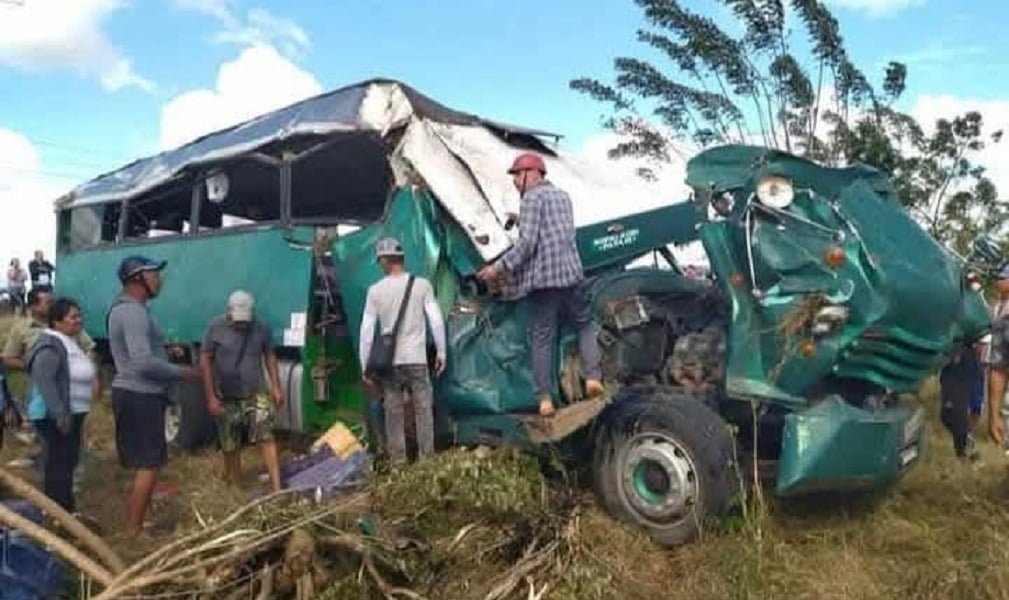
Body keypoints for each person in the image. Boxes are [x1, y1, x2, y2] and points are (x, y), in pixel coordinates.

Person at [476, 152, 604, 417]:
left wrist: (496, 269)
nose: (514, 181)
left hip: (544, 281)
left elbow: (527, 245)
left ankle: (544, 399)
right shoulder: (563, 196)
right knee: (584, 324)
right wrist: (520, 218)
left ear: (531, 173)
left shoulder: (531, 198)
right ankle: (593, 378)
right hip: (571, 275)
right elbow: (555, 229)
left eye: (516, 175)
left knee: (542, 337)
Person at [107, 255, 201, 538]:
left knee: (146, 462)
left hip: (138, 394)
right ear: (137, 279)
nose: (159, 279)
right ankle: (134, 531)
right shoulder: (133, 312)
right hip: (140, 394)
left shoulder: (132, 309)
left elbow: (143, 352)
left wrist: (164, 351)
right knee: (148, 463)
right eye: (154, 274)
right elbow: (142, 363)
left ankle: (141, 521)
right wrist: (184, 372)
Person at [359, 238, 446, 464]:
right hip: (417, 359)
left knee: (393, 413)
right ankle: (426, 461)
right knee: (424, 410)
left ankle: (399, 464)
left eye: (380, 261)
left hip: (391, 364)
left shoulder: (375, 291)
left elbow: (367, 331)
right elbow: (436, 321)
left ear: (386, 260)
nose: (380, 264)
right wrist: (441, 352)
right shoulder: (422, 285)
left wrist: (364, 366)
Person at [200, 290, 285, 492]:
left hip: (257, 393)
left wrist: (276, 386)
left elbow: (270, 355)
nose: (241, 325)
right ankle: (236, 487)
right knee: (230, 444)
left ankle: (277, 487)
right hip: (226, 395)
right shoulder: (215, 327)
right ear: (228, 312)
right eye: (237, 321)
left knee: (266, 436)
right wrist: (211, 397)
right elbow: (205, 360)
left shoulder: (261, 328)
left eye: (245, 321)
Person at [3, 289, 99, 451]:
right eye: (47, 302)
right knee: (50, 439)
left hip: (74, 393)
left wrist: (92, 374)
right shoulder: (22, 329)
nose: (52, 305)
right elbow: (8, 358)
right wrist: (36, 365)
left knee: (72, 440)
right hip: (44, 390)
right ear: (33, 306)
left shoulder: (68, 324)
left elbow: (89, 348)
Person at [25, 298, 95, 513]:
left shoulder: (66, 340)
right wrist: (60, 414)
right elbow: (45, 380)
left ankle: (64, 510)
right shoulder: (50, 344)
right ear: (57, 321)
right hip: (54, 415)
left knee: (67, 461)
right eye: (73, 317)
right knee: (59, 463)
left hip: (68, 414)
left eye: (79, 315)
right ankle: (57, 512)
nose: (79, 320)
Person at [939, 340, 981, 461]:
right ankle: (964, 448)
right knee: (948, 415)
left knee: (953, 412)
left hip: (961, 359)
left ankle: (965, 448)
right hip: (957, 356)